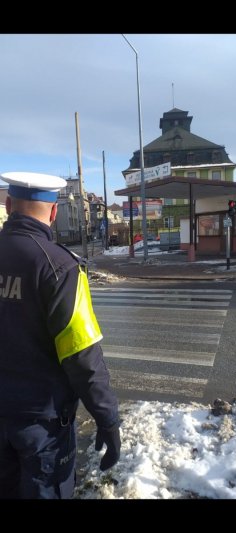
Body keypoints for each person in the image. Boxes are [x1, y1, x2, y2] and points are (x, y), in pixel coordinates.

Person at [0, 172, 121, 499]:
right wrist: (107, 418)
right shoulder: (60, 268)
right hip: (42, 427)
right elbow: (82, 357)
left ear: (8, 204)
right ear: (54, 213)